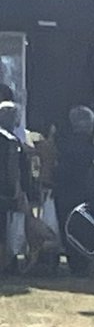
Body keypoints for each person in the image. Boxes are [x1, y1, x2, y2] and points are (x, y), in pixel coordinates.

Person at [54, 105, 94, 276]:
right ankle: (86, 262)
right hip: (85, 193)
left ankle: (74, 264)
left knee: (66, 227)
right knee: (86, 226)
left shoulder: (62, 143)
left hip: (63, 191)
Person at [0, 101, 34, 273]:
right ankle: (7, 266)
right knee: (6, 230)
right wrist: (18, 191)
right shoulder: (11, 140)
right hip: (6, 191)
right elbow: (13, 169)